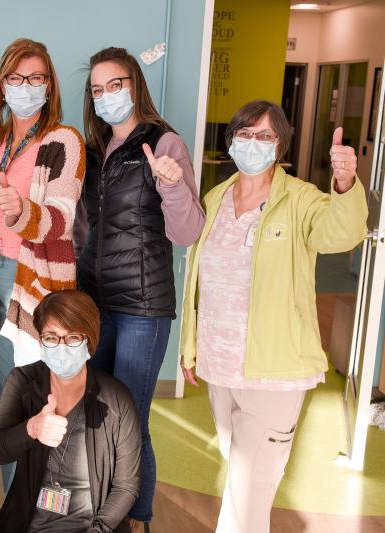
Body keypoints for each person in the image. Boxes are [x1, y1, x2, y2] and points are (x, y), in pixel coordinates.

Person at [179, 100, 368, 533]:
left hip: (275, 372)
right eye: (244, 134)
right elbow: (199, 282)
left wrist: (344, 184)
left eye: (264, 135)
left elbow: (340, 233)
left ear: (279, 145)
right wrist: (192, 348)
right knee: (241, 479)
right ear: (231, 141)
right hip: (221, 367)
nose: (253, 143)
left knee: (248, 494)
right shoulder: (216, 197)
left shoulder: (299, 198)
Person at [74, 47, 205, 532]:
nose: (106, 96)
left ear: (135, 86)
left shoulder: (163, 143)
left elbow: (188, 232)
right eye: (97, 89)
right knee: (93, 414)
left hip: (142, 308)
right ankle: (98, 512)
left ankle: (135, 519)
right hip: (94, 302)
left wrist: (171, 184)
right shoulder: (93, 150)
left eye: (116, 85)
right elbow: (83, 228)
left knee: (130, 419)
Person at [0, 37, 85, 492]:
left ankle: (42, 511)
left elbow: (61, 219)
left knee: (42, 404)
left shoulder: (64, 140)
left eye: (36, 78)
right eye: (16, 78)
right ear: (2, 85)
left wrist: (21, 213)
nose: (25, 86)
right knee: (5, 403)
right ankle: (14, 506)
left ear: (49, 86)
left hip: (38, 282)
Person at [0, 290, 141, 532]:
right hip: (31, 524)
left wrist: (99, 530)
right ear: (40, 341)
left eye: (73, 337)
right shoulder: (22, 382)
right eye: (51, 337)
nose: (62, 347)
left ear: (89, 341)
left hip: (94, 526)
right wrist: (32, 428)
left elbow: (126, 486)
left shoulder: (118, 399)